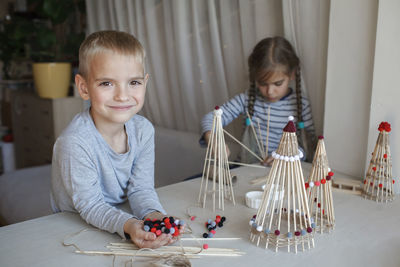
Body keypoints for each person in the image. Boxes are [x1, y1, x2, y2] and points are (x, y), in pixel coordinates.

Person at [50, 30, 180, 249]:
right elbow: (90, 205)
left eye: (134, 82)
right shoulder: (74, 142)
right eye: (107, 84)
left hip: (120, 219)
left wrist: (154, 215)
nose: (122, 95)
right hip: (74, 230)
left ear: (145, 83)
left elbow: (141, 189)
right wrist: (130, 226)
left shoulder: (143, 130)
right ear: (84, 88)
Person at [201, 36, 316, 164]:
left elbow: (309, 147)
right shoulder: (246, 99)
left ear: (292, 74)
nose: (270, 91)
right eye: (262, 83)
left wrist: (288, 156)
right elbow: (211, 118)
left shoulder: (301, 105)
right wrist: (212, 138)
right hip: (246, 169)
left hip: (282, 175)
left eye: (277, 83)